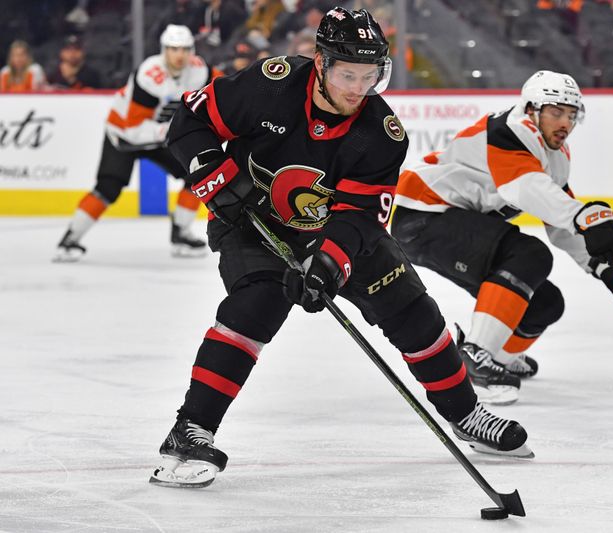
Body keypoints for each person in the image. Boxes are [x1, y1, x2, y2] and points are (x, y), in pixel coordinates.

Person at [149, 7, 533, 489]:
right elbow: (191, 118)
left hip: (337, 232)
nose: (357, 87)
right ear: (321, 64)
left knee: (413, 311)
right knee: (256, 305)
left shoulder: (382, 133)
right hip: (252, 222)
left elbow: (359, 217)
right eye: (348, 74)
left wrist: (328, 262)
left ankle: (466, 414)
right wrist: (213, 175)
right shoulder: (271, 84)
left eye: (369, 75)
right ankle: (189, 432)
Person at [391, 70, 613, 406]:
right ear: (531, 109)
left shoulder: (555, 154)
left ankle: (499, 357)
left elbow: (560, 223)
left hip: (450, 223)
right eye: (556, 112)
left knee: (544, 303)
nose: (565, 123)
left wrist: (603, 268)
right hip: (424, 216)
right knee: (529, 255)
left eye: (571, 115)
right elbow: (524, 188)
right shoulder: (509, 130)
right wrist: (581, 216)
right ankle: (475, 357)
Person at [54, 25, 218, 262]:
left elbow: (224, 92)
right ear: (164, 50)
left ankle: (181, 233)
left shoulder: (200, 70)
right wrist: (177, 130)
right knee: (108, 188)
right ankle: (70, 239)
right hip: (125, 136)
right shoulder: (150, 75)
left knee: (198, 173)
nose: (179, 55)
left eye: (184, 49)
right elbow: (134, 128)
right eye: (173, 49)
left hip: (160, 134)